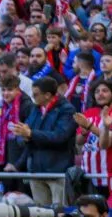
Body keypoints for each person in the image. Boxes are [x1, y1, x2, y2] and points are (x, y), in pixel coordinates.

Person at [13, 75, 77, 206]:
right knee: (40, 214)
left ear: (47, 95)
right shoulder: (35, 109)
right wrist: (24, 137)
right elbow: (23, 133)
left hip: (58, 171)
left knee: (60, 215)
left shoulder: (67, 110)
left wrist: (31, 134)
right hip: (36, 170)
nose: (33, 97)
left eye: (36, 94)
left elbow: (60, 136)